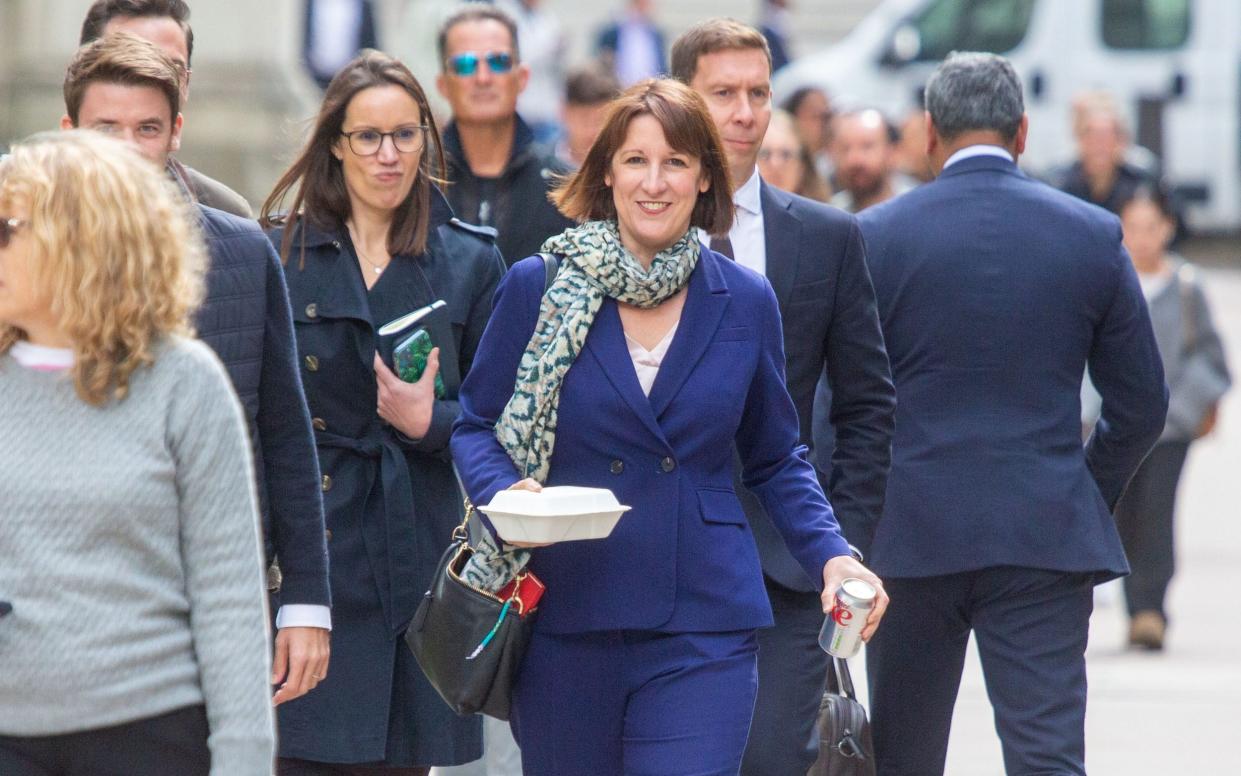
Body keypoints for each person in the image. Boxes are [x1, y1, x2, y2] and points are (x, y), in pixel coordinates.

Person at [451, 76, 888, 776]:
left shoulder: (742, 298)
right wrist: (508, 496)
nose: (654, 182)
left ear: (705, 177)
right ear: (606, 173)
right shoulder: (539, 285)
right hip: (568, 611)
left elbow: (776, 457)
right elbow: (476, 426)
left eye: (676, 162)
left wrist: (833, 555)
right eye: (635, 160)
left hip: (703, 622)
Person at [858, 52, 1168, 776]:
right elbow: (1142, 403)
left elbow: (846, 401)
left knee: (903, 757)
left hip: (910, 533)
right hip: (1042, 529)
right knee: (1046, 758)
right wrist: (1082, 487)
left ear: (928, 133)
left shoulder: (875, 236)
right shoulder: (1089, 233)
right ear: (1023, 131)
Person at [61, 32, 331, 706]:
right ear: (68, 133)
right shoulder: (18, 260)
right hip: (54, 599)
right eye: (105, 128)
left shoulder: (241, 252)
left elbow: (284, 432)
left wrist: (304, 602)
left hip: (209, 594)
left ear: (176, 132)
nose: (126, 149)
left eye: (146, 129)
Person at [260, 50, 506, 774]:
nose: (388, 154)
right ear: (336, 142)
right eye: (368, 136)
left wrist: (428, 420)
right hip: (310, 550)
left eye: (405, 134)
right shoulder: (280, 252)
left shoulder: (467, 261)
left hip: (416, 550)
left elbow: (511, 429)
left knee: (399, 758)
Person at [0, 130, 273, 775]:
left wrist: (244, 761)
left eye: (10, 227)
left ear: (82, 239)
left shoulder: (186, 383)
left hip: (146, 736)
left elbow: (229, 596)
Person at [671, 20, 896, 774]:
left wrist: (841, 545)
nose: (743, 112)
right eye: (722, 93)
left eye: (758, 93)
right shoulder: (623, 234)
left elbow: (866, 404)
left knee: (770, 760)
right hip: (652, 561)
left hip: (786, 570)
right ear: (680, 101)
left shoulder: (826, 239)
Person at [1112, 185, 1230, 650]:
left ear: (1167, 229)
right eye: (1132, 227)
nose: (1141, 238)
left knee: (1157, 515)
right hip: (1114, 428)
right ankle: (1132, 604)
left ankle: (1150, 609)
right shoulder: (1109, 283)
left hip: (1169, 431)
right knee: (1122, 515)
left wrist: (1178, 410)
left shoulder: (1185, 286)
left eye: (1150, 227)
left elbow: (1210, 358)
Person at [79, 0, 254, 218]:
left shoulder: (227, 218)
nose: (153, 78)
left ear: (187, 83)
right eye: (125, 62)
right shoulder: (29, 206)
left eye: (172, 67)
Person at [435, 4, 574, 266]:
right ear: (443, 84)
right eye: (465, 65)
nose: (483, 77)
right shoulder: (416, 184)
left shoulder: (565, 189)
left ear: (522, 77)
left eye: (499, 62)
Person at [1051, 92, 1160, 216]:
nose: (1100, 146)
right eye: (1093, 137)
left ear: (1122, 141)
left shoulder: (1141, 182)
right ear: (1080, 140)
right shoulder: (1060, 183)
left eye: (1107, 137)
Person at [497, 0, 567, 145]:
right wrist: (548, 48)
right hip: (520, 108)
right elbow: (518, 55)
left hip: (546, 110)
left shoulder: (546, 17)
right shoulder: (502, 13)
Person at [828, 108, 916, 213]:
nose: (854, 159)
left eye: (867, 147)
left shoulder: (919, 208)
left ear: (892, 152)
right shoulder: (832, 215)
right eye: (845, 149)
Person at [303, 0, 378, 90]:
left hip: (351, 80)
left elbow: (370, 43)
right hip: (311, 79)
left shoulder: (363, 4)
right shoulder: (307, 4)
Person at [557, 65, 622, 168]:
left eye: (602, 120)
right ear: (564, 112)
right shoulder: (540, 168)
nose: (592, 131)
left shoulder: (627, 171)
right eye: (584, 118)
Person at [758, 109, 829, 202]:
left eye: (785, 155)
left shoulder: (825, 215)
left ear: (802, 165)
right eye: (765, 154)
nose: (776, 164)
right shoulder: (735, 214)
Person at [595, 0, 666, 86]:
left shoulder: (656, 35)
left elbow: (661, 64)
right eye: (640, 4)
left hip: (649, 88)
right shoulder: (611, 34)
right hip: (617, 88)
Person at [783, 85, 832, 179]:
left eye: (827, 116)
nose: (824, 123)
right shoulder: (778, 163)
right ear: (793, 118)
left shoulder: (834, 168)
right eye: (816, 116)